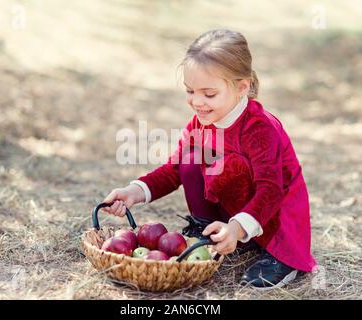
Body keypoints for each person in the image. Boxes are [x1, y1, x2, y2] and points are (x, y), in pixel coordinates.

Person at [102, 29, 317, 289]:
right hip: (237, 216)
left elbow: (271, 191)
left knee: (234, 165)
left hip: (273, 215)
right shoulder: (200, 122)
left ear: (242, 87)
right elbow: (173, 169)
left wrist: (238, 227)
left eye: (209, 94)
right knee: (191, 160)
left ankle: (277, 257)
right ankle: (209, 231)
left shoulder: (260, 128)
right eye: (190, 91)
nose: (196, 101)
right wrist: (134, 191)